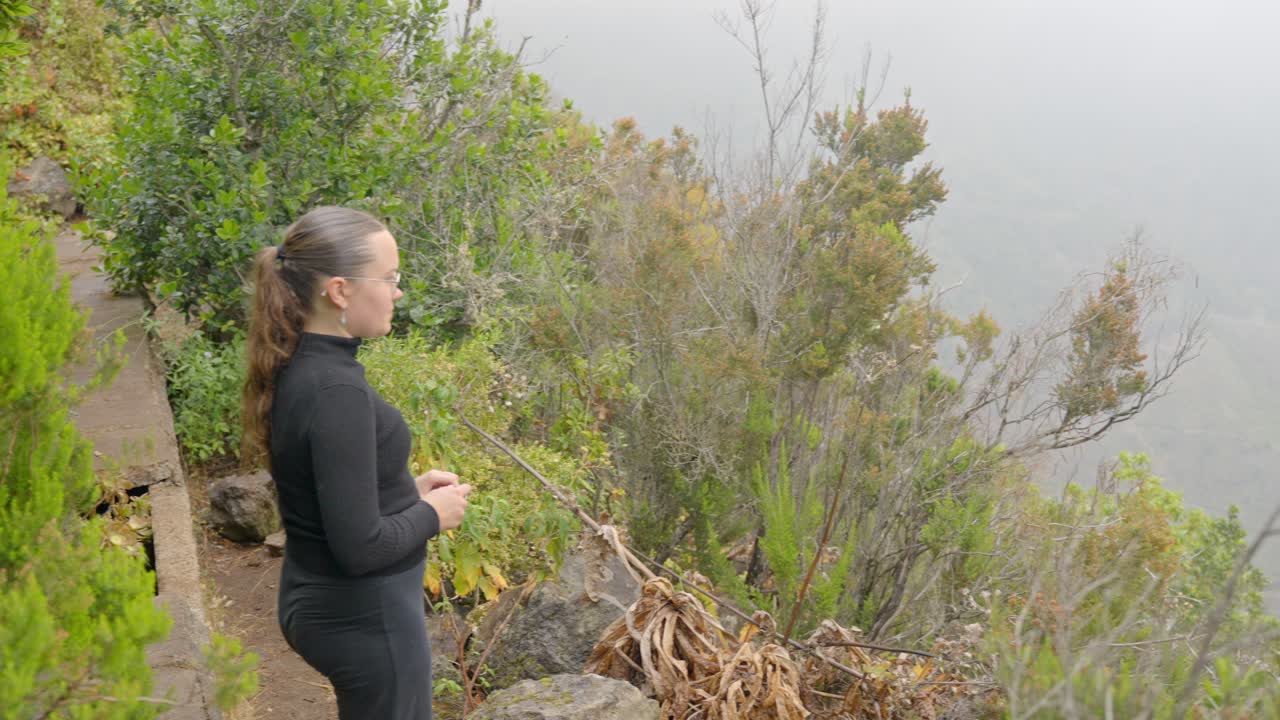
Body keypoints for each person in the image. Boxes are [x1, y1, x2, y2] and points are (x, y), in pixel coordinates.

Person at [241, 206, 471, 719]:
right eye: (388, 279)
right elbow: (360, 548)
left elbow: (324, 491)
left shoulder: (300, 363)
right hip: (365, 616)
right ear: (340, 291)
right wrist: (435, 514)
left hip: (323, 596)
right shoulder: (336, 390)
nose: (397, 292)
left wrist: (405, 493)